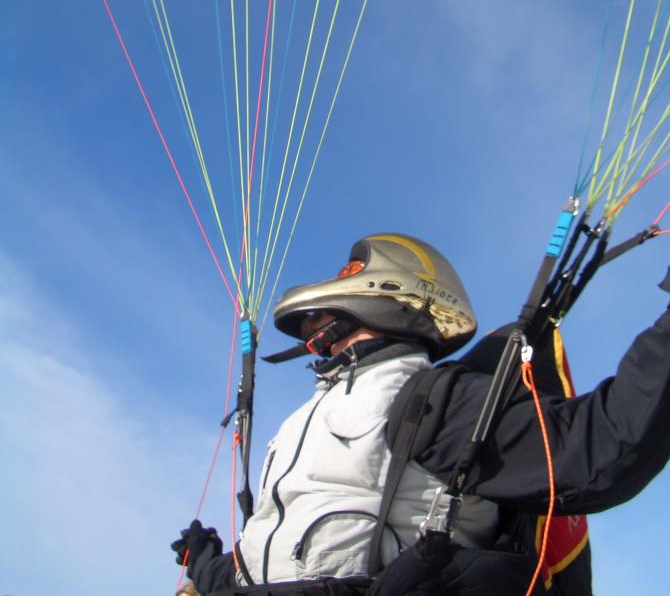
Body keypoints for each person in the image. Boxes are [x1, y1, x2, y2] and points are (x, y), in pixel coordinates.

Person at [172, 233, 670, 595]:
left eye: (347, 275)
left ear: (386, 288)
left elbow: (601, 451)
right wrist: (208, 565)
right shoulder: (304, 416)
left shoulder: (434, 396)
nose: (313, 320)